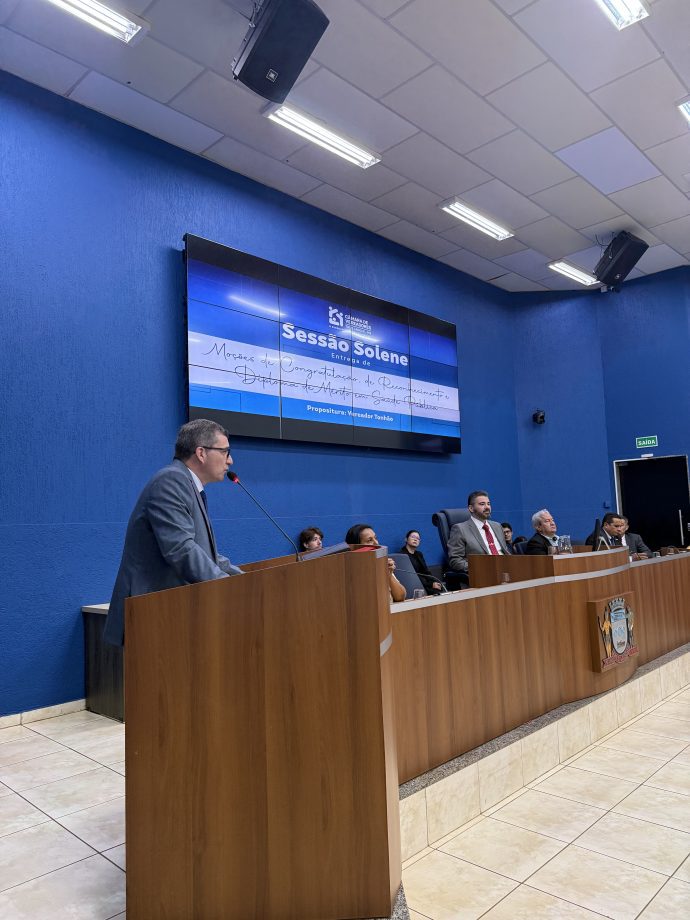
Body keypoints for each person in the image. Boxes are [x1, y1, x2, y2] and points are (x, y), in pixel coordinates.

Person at [103, 419, 243, 646]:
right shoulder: (171, 481)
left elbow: (203, 552)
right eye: (225, 452)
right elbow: (181, 549)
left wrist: (242, 579)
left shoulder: (187, 484)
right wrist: (228, 587)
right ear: (201, 453)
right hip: (151, 614)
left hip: (168, 615)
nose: (230, 460)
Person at [447, 491, 510, 574]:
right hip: (484, 574)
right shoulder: (460, 529)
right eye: (482, 504)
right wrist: (481, 568)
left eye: (488, 504)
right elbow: (455, 561)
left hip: (507, 570)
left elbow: (505, 552)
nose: (487, 507)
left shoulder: (497, 526)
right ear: (471, 508)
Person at [345, 523, 406, 602]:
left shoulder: (381, 564)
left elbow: (400, 597)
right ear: (356, 546)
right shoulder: (350, 572)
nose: (376, 543)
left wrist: (389, 575)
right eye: (369, 540)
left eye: (376, 538)